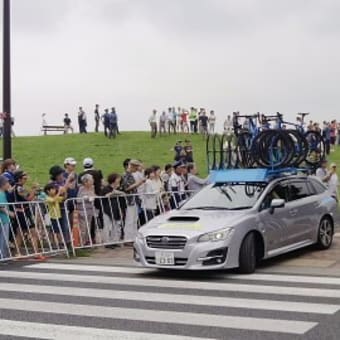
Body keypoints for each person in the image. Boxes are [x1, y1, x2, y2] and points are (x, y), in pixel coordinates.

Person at [122, 160, 146, 242]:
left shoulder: (130, 175)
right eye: (136, 167)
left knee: (134, 219)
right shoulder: (126, 175)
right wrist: (139, 183)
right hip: (129, 201)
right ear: (132, 166)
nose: (137, 169)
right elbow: (126, 188)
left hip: (134, 200)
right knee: (130, 220)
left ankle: (133, 237)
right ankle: (128, 238)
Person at [101, 173, 126, 244]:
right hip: (107, 210)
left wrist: (122, 209)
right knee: (108, 226)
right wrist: (113, 193)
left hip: (117, 210)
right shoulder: (106, 188)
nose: (119, 180)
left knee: (117, 226)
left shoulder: (119, 188)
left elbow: (123, 197)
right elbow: (104, 196)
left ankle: (114, 241)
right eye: (117, 178)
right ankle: (107, 242)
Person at [77, 174, 98, 245]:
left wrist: (94, 197)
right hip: (82, 210)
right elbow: (78, 200)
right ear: (85, 182)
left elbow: (94, 195)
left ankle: (86, 241)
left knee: (88, 226)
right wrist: (86, 197)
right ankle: (82, 242)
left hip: (90, 209)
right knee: (83, 227)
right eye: (91, 180)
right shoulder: (81, 188)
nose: (93, 181)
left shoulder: (92, 187)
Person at [44, 183, 65, 247]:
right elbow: (53, 201)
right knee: (53, 231)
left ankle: (60, 242)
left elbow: (63, 198)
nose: (55, 190)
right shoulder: (47, 198)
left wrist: (64, 191)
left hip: (58, 216)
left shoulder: (55, 197)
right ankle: (53, 243)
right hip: (52, 217)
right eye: (53, 189)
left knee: (58, 230)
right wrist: (59, 192)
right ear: (48, 191)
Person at [0, 175, 13, 259]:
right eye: (7, 182)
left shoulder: (3, 193)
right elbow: (1, 206)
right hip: (3, 219)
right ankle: (2, 256)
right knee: (3, 239)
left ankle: (3, 256)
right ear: (3, 184)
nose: (8, 184)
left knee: (4, 238)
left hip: (4, 219)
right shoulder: (1, 194)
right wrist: (9, 213)